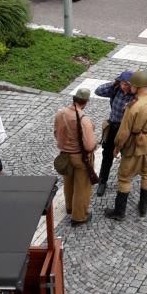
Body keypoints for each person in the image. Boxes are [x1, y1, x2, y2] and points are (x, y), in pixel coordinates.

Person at [106, 71, 147, 220]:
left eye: (132, 85)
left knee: (124, 178)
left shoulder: (133, 106)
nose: (130, 87)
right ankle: (143, 207)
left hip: (134, 147)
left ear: (136, 86)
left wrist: (117, 148)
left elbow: (123, 133)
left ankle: (119, 212)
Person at [54, 88, 97, 226]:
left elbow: (56, 133)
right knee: (82, 187)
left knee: (68, 182)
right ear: (86, 102)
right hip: (80, 158)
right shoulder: (84, 120)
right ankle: (79, 217)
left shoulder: (60, 113)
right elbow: (89, 145)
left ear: (74, 98)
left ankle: (69, 207)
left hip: (65, 156)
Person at [94, 71, 137, 196]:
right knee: (107, 155)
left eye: (127, 85)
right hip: (113, 128)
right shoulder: (116, 89)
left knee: (127, 156)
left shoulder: (136, 96)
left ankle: (124, 182)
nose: (124, 87)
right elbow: (98, 91)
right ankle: (102, 181)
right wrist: (113, 84)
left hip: (128, 131)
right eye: (123, 83)